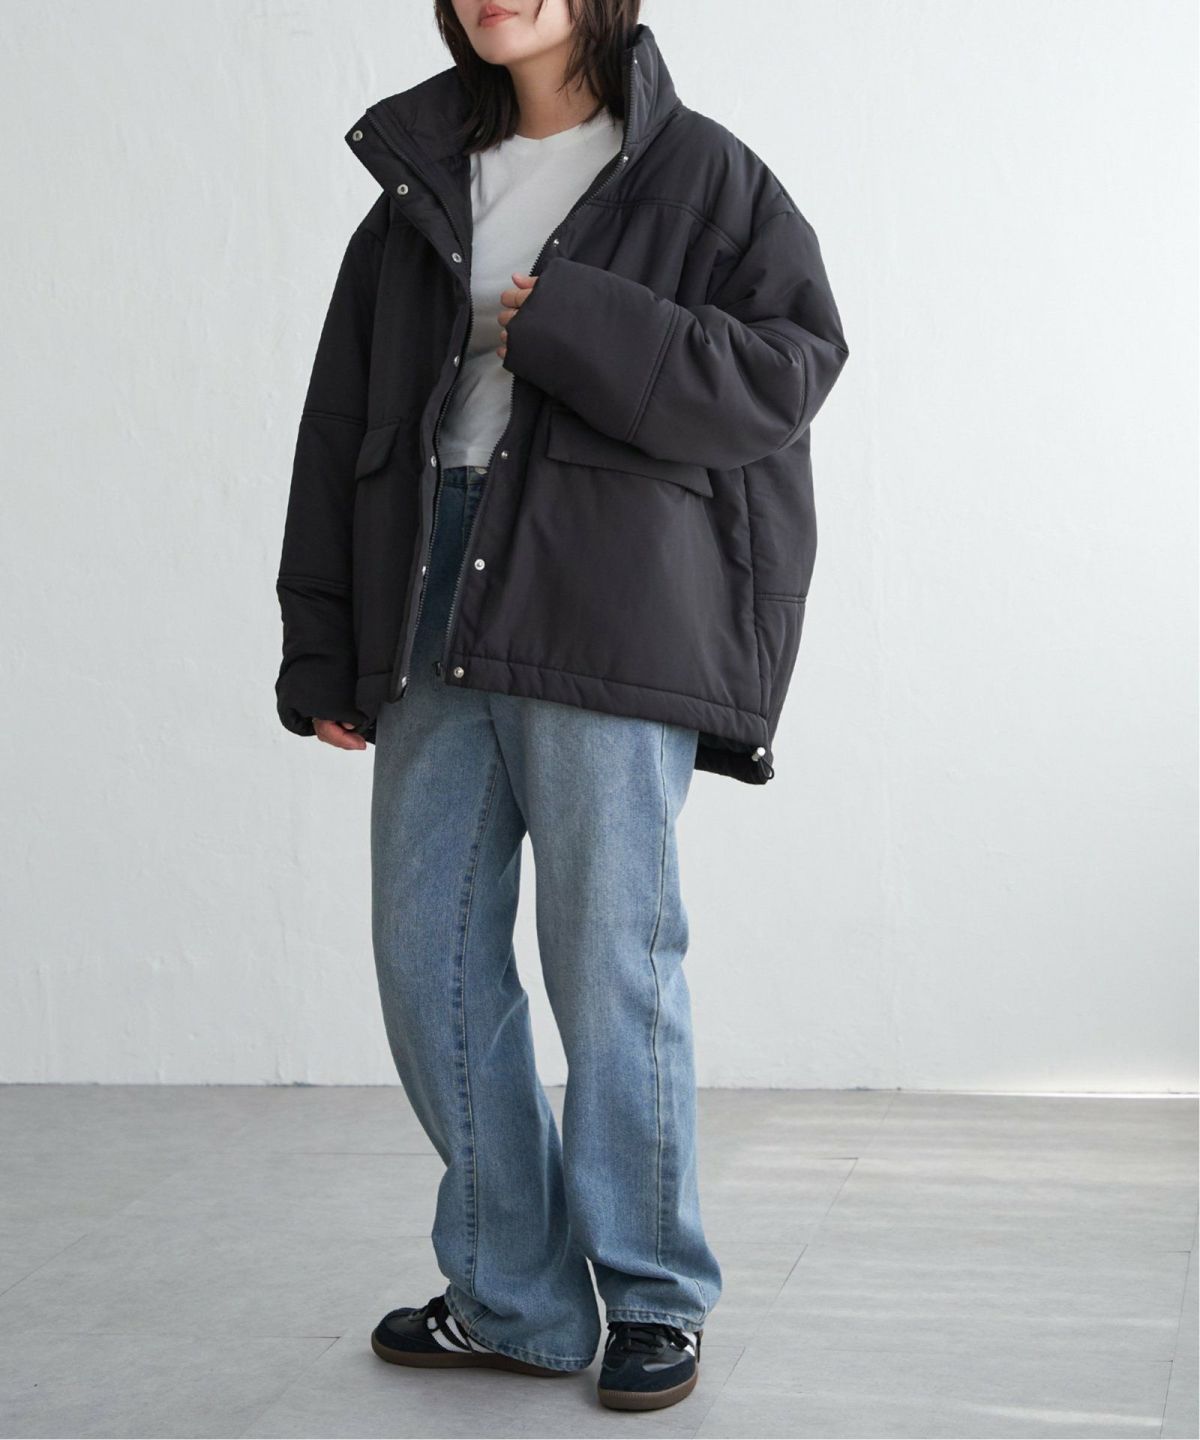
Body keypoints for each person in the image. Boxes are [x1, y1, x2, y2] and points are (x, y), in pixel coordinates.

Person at [274, 0, 848, 1413]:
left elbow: (788, 374)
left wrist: (585, 322)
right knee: (428, 957)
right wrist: (321, 640)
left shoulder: (703, 176)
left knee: (611, 958)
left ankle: (653, 1294)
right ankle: (515, 1297)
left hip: (601, 595)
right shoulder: (416, 179)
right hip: (429, 583)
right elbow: (341, 422)